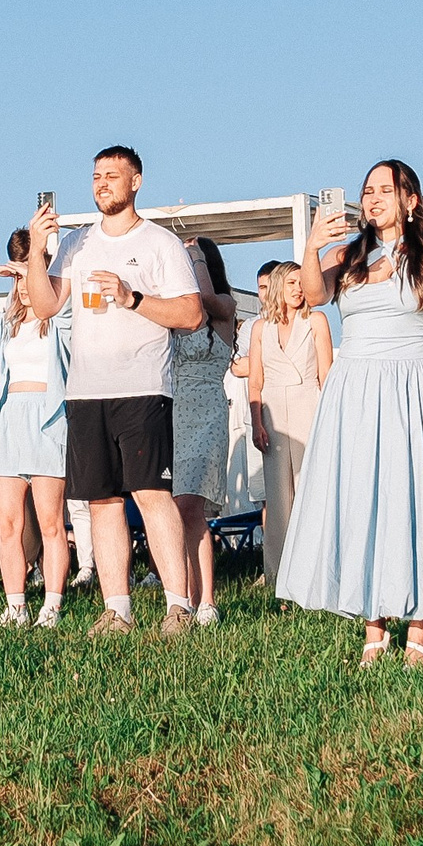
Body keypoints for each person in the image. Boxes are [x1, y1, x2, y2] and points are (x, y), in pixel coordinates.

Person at [277, 161, 423, 665]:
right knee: (363, 497)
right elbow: (315, 295)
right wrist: (312, 245)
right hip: (355, 389)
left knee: (413, 498)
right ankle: (373, 624)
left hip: (413, 385)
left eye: (385, 190)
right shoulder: (349, 255)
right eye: (368, 191)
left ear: (410, 200)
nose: (373, 199)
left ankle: (421, 625)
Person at [21, 148, 206, 636]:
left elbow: (191, 315)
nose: (102, 184)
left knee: (150, 494)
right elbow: (44, 307)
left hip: (143, 387)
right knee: (101, 500)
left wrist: (133, 297)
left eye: (112, 176)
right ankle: (117, 609)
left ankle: (177, 608)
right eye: (96, 176)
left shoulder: (160, 244)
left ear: (137, 182)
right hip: (86, 392)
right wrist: (39, 254)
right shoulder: (77, 244)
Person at [0, 247, 73, 628]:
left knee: (51, 521)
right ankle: (16, 605)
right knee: (7, 524)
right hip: (7, 423)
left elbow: (67, 301)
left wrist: (38, 272)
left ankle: (52, 605)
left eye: (31, 280)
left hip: (47, 419)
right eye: (20, 282)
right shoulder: (5, 325)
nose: (25, 289)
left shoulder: (59, 323)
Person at [235, 261, 329, 585]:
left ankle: (316, 574)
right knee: (277, 500)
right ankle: (278, 576)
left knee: (310, 493)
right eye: (291, 282)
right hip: (273, 415)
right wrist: (257, 421)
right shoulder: (261, 328)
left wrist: (328, 423)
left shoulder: (316, 321)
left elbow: (326, 377)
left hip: (309, 406)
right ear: (278, 286)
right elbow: (255, 382)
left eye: (301, 282)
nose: (298, 288)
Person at [169, 235, 240, 628]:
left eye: (193, 260)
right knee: (177, 511)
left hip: (208, 410)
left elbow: (204, 301)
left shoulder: (222, 306)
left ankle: (207, 600)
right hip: (174, 412)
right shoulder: (179, 310)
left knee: (190, 507)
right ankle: (188, 598)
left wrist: (193, 254)